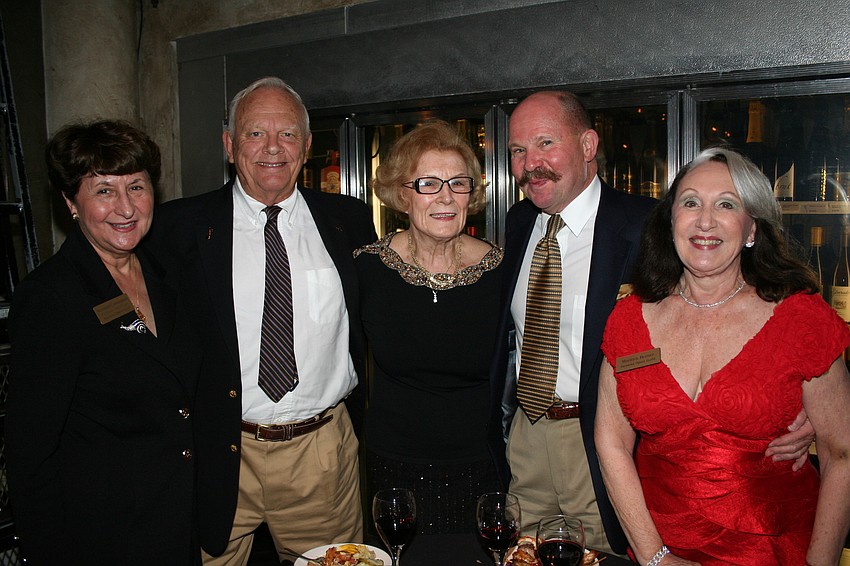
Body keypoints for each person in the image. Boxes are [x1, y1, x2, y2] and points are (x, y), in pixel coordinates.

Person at [490, 90, 815, 555]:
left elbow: (735, 303)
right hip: (526, 436)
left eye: (545, 144)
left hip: (605, 443)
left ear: (587, 146)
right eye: (518, 151)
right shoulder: (520, 221)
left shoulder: (650, 226)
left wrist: (801, 403)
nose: (529, 163)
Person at [148, 77, 376, 564]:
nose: (273, 147)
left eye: (288, 134)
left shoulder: (350, 221)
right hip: (222, 451)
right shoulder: (177, 228)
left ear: (309, 146)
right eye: (255, 134)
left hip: (321, 457)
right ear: (229, 145)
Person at [596, 147, 850, 565]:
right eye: (690, 202)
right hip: (659, 549)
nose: (705, 221)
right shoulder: (629, 318)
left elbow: (841, 451)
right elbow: (611, 442)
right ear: (672, 219)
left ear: (752, 227)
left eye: (727, 204)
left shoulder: (801, 318)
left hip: (776, 551)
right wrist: (654, 556)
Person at [5, 120, 200, 564]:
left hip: (175, 520)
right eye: (104, 191)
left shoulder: (166, 272)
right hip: (102, 536)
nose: (126, 208)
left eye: (136, 186)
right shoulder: (51, 298)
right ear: (71, 203)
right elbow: (30, 455)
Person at [354, 121, 505, 562]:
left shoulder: (502, 271)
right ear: (403, 194)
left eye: (458, 183)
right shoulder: (366, 271)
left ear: (471, 195)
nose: (444, 197)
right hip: (395, 467)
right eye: (427, 183)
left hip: (482, 465)